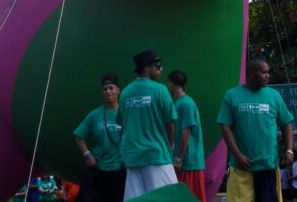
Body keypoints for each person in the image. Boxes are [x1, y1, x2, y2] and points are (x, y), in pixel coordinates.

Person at [217, 58, 294, 202]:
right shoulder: (232, 95)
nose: (267, 75)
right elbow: (225, 126)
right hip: (241, 167)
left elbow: (286, 123)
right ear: (251, 74)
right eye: (263, 72)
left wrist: (289, 150)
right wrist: (237, 154)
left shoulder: (274, 95)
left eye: (268, 72)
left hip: (267, 166)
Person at [117, 48, 177, 200]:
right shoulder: (161, 90)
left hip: (131, 155)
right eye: (158, 65)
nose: (161, 68)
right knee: (169, 196)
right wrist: (170, 143)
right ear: (145, 68)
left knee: (137, 199)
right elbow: (170, 122)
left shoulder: (124, 93)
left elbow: (121, 123)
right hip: (155, 154)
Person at [74, 72, 126, 202]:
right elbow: (79, 136)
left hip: (120, 170)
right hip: (98, 170)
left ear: (118, 90)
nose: (108, 91)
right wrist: (87, 154)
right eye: (105, 89)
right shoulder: (94, 115)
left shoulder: (126, 114)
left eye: (111, 88)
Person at [167, 69, 206, 202]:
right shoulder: (179, 103)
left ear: (171, 84)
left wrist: (178, 158)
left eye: (168, 83)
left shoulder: (186, 103)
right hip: (183, 162)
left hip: (189, 163)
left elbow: (186, 132)